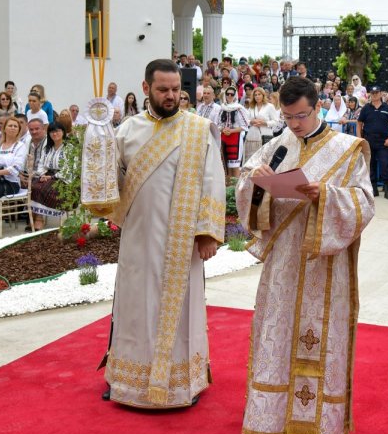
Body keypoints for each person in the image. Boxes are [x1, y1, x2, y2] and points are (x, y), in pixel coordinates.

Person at [235, 76, 374, 434]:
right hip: (283, 264)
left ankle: (317, 431)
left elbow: (365, 202)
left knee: (320, 339)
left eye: (301, 115)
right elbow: (244, 191)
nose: (294, 124)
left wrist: (324, 195)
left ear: (317, 107)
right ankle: (270, 422)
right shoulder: (278, 147)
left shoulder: (349, 149)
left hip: (325, 264)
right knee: (276, 336)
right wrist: (257, 184)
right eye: (288, 116)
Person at [96, 58, 225, 409]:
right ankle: (126, 380)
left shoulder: (200, 130)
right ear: (145, 89)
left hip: (183, 239)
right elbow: (112, 183)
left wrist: (208, 232)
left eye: (175, 90)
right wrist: (97, 150)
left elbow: (213, 181)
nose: (170, 96)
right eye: (163, 90)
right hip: (138, 236)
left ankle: (181, 384)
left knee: (180, 309)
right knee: (134, 307)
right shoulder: (126, 130)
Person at [357, 86, 388, 199]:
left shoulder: (387, 108)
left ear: (380, 94)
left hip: (383, 141)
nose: (374, 95)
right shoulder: (366, 108)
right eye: (373, 93)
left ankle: (387, 189)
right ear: (370, 94)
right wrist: (360, 138)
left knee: (385, 164)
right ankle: (373, 189)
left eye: (376, 93)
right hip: (368, 140)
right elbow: (359, 123)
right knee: (370, 165)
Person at [27, 121, 67, 229]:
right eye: (52, 132)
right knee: (34, 186)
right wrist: (43, 174)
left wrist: (52, 177)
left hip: (62, 178)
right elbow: (41, 164)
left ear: (63, 132)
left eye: (57, 131)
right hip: (47, 175)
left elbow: (69, 168)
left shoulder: (69, 148)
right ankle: (36, 218)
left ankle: (39, 220)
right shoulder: (48, 148)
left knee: (43, 188)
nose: (54, 134)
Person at [216, 86, 249, 181]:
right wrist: (223, 129)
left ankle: (235, 190)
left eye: (232, 94)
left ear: (235, 95)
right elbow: (218, 124)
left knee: (235, 166)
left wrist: (231, 130)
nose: (229, 96)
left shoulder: (239, 108)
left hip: (235, 137)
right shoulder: (222, 108)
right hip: (224, 137)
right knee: (225, 167)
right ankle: (227, 190)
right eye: (227, 94)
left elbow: (245, 126)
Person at [243, 86, 279, 156]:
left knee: (265, 157)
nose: (257, 96)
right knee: (252, 157)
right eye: (255, 95)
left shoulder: (270, 106)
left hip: (266, 135)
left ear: (263, 95)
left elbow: (275, 122)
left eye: (259, 94)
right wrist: (251, 121)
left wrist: (264, 123)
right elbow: (245, 120)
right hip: (253, 137)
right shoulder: (251, 107)